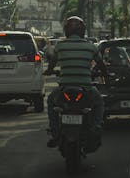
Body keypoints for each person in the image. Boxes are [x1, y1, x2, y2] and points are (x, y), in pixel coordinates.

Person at [44, 16, 107, 148]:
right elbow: (101, 65)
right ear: (82, 31)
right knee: (99, 102)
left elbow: (52, 63)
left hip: (64, 88)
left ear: (66, 31)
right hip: (86, 88)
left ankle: (55, 131)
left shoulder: (60, 46)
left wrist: (49, 71)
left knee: (51, 101)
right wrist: (105, 74)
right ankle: (95, 126)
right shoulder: (90, 47)